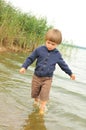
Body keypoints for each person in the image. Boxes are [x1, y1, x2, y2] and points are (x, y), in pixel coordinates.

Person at [20, 29, 75, 114]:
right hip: (36, 76)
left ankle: (42, 108)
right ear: (46, 40)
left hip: (47, 79)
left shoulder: (57, 55)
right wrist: (24, 67)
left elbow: (63, 65)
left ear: (57, 44)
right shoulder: (39, 50)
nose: (50, 45)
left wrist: (70, 73)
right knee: (35, 92)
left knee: (44, 94)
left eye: (53, 44)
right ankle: (36, 101)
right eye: (48, 42)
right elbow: (30, 58)